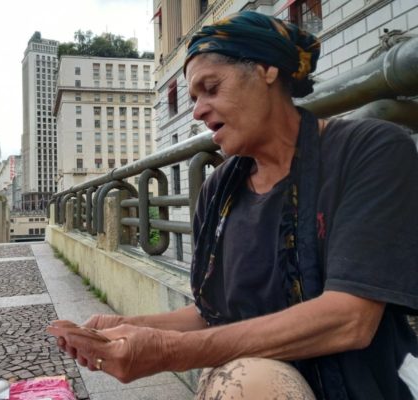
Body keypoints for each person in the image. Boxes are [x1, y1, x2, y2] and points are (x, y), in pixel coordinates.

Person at [48, 11, 418, 399]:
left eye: (211, 88)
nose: (197, 110)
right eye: (192, 98)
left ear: (266, 70)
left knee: (248, 383)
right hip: (265, 377)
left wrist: (167, 352)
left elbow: (350, 320)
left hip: (369, 385)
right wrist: (126, 326)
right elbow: (212, 317)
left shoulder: (369, 150)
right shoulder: (218, 190)